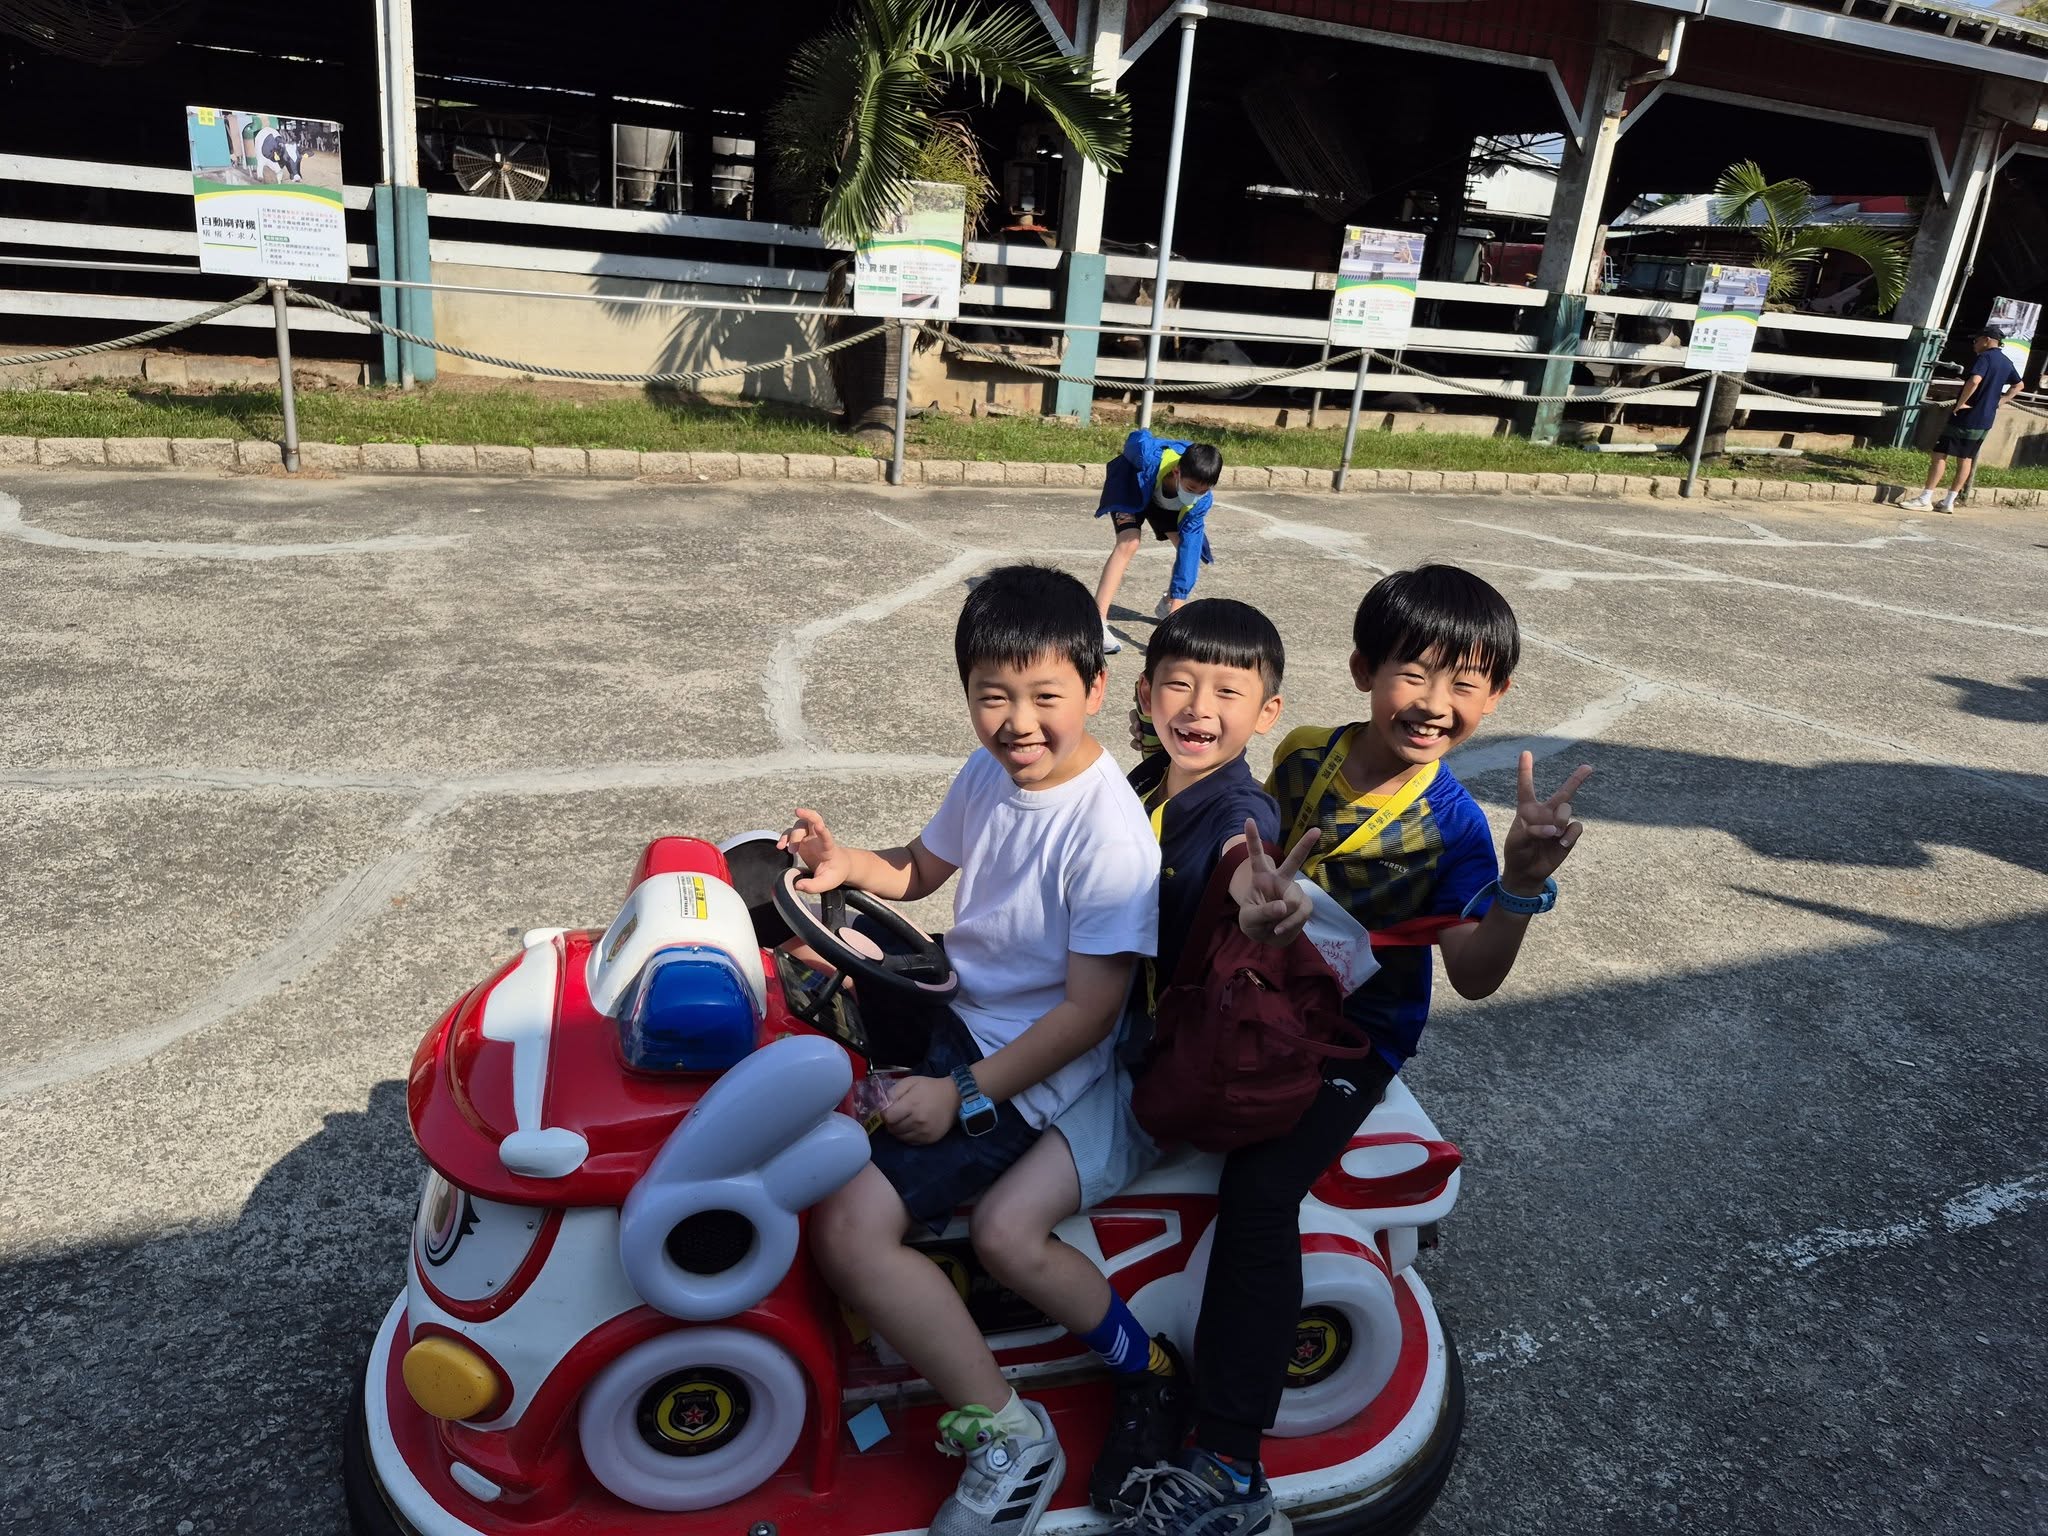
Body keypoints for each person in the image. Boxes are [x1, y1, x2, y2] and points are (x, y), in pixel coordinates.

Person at [1110, 565, 1595, 1536]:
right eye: (1415, 673)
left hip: (1346, 1034)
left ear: (1495, 697)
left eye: (1467, 683)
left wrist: (1517, 884)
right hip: (1250, 988)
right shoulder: (1300, 754)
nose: (1436, 703)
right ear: (1364, 669)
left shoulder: (1452, 828)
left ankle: (1227, 1462)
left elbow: (1473, 975)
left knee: (1255, 1192)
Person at [787, 563, 1161, 1536]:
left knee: (844, 1226)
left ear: (1094, 690)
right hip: (965, 1013)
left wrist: (959, 1094)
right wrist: (843, 867)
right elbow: (916, 868)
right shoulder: (988, 775)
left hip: (1028, 1072)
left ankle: (1008, 1432)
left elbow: (1087, 1014)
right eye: (992, 696)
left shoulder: (1108, 838)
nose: (1017, 721)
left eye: (1044, 696)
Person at [969, 598, 1290, 1517]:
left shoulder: (1235, 809)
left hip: (1143, 1070)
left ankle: (1146, 1369)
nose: (1200, 707)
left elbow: (1243, 858)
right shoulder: (1147, 779)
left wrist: (1258, 896)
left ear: (1265, 713)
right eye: (1180, 685)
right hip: (1081, 1027)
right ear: (1142, 694)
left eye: (1228, 691)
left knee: (1004, 1230)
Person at [1092, 430, 1223, 655]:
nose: (1196, 495)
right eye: (1191, 489)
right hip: (1133, 489)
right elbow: (1135, 439)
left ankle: (1168, 604)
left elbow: (1188, 553)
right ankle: (1096, 623)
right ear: (1176, 471)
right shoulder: (1148, 456)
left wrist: (1176, 610)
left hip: (1166, 503)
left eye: (1203, 491)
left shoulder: (1199, 502)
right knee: (1129, 541)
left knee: (1184, 543)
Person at [1901, 327, 2022, 512]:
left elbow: (1974, 380)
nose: (1974, 344)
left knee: (1939, 454)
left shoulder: (1985, 358)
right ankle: (1949, 500)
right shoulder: (2006, 362)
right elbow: (2019, 385)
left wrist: (1960, 403)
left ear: (1987, 340)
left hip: (1967, 415)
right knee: (1965, 458)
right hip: (1986, 418)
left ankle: (1926, 497)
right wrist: (2000, 402)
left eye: (1976, 340)